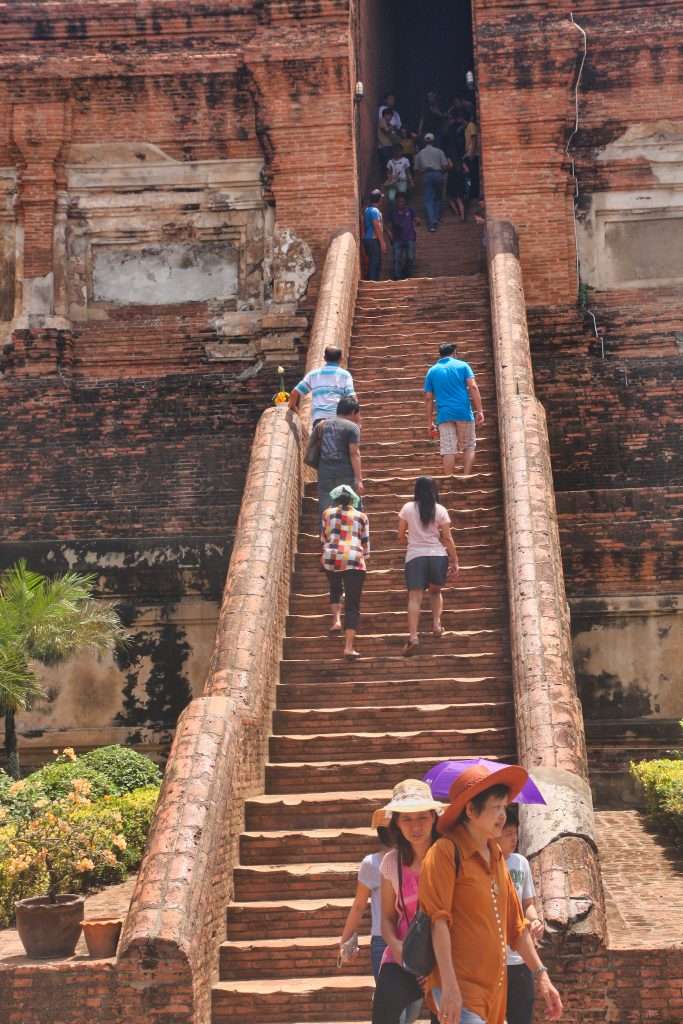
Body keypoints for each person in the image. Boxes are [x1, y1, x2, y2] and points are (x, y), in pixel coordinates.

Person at [419, 763, 564, 1024]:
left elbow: (516, 927)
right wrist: (450, 987)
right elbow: (437, 921)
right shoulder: (444, 852)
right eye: (495, 808)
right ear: (471, 811)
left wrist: (542, 975)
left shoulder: (496, 854)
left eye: (504, 807)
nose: (502, 816)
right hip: (459, 990)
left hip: (494, 995)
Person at [372, 779, 444, 1024]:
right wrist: (403, 952)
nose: (416, 827)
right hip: (402, 954)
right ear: (397, 823)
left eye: (422, 817)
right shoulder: (391, 864)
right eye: (407, 819)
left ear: (434, 817)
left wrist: (434, 965)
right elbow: (388, 920)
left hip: (446, 956)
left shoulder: (450, 857)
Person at [398, 476, 459, 657]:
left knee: (415, 597)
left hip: (415, 557)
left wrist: (409, 538)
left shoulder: (407, 508)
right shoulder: (440, 510)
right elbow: (447, 538)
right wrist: (455, 560)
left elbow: (400, 535)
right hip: (437, 556)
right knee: (435, 591)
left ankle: (413, 637)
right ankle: (436, 624)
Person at [499, 804, 544, 1024]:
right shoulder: (483, 863)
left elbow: (528, 903)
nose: (513, 839)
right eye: (507, 834)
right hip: (494, 960)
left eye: (515, 833)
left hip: (520, 957)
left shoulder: (520, 862)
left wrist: (535, 920)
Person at [338, 808, 392, 981]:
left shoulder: (419, 860)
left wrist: (345, 941)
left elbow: (359, 906)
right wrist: (345, 941)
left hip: (401, 938)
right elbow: (359, 905)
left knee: (403, 1004)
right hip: (387, 939)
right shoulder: (372, 863)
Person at [321, 483, 369, 659]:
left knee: (335, 588)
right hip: (354, 558)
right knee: (352, 604)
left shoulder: (326, 513)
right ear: (353, 500)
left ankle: (336, 620)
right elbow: (365, 544)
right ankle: (348, 647)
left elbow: (323, 537)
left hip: (331, 557)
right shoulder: (361, 516)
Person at [424, 342, 484, 477]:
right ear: (454, 353)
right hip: (463, 411)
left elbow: (428, 398)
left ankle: (449, 478)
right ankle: (466, 476)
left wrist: (429, 423)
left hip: (444, 414)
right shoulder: (463, 366)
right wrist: (480, 411)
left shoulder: (432, 371)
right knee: (469, 444)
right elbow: (473, 387)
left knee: (448, 448)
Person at [317, 395, 364, 514]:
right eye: (359, 413)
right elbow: (354, 454)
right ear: (353, 412)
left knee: (326, 507)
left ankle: (326, 531)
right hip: (345, 472)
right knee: (352, 506)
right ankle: (353, 530)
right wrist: (358, 480)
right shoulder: (352, 428)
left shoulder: (322, 425)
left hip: (325, 472)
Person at [288, 345, 355, 425]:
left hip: (319, 419)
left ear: (324, 358)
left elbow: (294, 393)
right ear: (341, 359)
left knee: (314, 437)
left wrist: (293, 408)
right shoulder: (345, 375)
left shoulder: (313, 375)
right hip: (339, 418)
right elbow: (352, 398)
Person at [414, 134, 449, 232]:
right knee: (438, 198)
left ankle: (432, 222)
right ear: (433, 141)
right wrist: (440, 172)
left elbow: (416, 170)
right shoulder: (439, 151)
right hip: (438, 174)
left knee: (428, 199)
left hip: (426, 175)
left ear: (425, 142)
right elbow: (445, 166)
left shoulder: (420, 154)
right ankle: (436, 218)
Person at [390, 194, 418, 280]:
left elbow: (416, 219)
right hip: (397, 239)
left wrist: (417, 221)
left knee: (410, 257)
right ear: (396, 202)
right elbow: (387, 225)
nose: (400, 203)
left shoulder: (410, 210)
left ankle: (406, 274)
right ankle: (397, 277)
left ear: (405, 202)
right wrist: (390, 235)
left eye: (402, 201)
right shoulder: (393, 213)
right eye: (399, 201)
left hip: (410, 237)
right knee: (397, 258)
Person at [363, 189, 387, 281]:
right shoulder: (375, 211)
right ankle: (373, 283)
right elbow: (376, 226)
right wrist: (382, 243)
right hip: (373, 240)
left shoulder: (367, 210)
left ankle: (373, 281)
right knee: (375, 263)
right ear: (379, 199)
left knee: (373, 262)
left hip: (368, 239)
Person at [378, 108, 402, 172]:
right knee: (388, 165)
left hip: (389, 146)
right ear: (386, 115)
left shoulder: (388, 123)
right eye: (390, 116)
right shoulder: (382, 121)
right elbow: (386, 130)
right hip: (384, 146)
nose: (391, 118)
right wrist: (392, 127)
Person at [464, 112, 480, 200]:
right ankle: (472, 193)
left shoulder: (471, 125)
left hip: (472, 155)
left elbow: (474, 139)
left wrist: (472, 154)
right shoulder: (467, 127)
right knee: (471, 175)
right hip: (469, 154)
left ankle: (474, 194)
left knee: (473, 176)